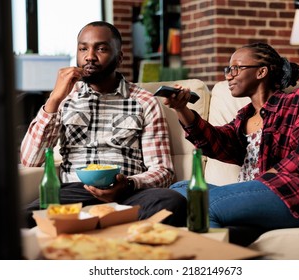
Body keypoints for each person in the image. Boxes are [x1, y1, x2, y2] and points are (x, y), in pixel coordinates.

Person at [163, 42, 299, 244]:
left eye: (236, 68)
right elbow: (217, 143)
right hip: (260, 194)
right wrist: (182, 109)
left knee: (204, 204)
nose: (228, 76)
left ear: (261, 72)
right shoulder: (244, 117)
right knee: (179, 190)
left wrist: (271, 175)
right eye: (228, 69)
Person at [20, 21, 187, 228]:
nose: (89, 56)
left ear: (119, 58)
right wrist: (54, 99)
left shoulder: (145, 102)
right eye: (83, 48)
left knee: (173, 202)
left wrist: (128, 184)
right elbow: (29, 160)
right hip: (73, 193)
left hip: (128, 194)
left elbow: (163, 171)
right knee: (17, 220)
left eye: (101, 48)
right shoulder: (65, 98)